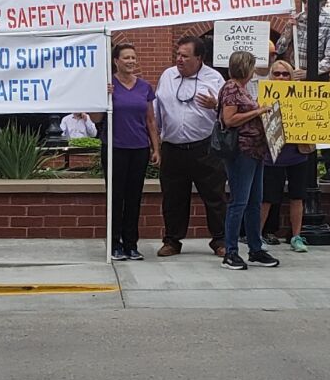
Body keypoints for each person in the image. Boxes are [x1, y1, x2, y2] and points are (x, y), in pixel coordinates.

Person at [153, 33, 227, 258]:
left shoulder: (214, 79)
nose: (179, 60)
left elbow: (229, 115)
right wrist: (156, 142)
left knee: (214, 196)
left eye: (185, 56)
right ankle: (172, 241)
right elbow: (157, 111)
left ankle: (220, 240)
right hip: (173, 148)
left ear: (200, 58)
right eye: (178, 54)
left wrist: (216, 105)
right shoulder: (167, 76)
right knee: (173, 198)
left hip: (204, 148)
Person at [218, 50, 277, 270]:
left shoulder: (242, 89)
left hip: (255, 152)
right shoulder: (232, 88)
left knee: (254, 202)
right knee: (239, 202)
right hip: (241, 152)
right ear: (247, 68)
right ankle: (231, 252)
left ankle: (255, 248)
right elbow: (229, 119)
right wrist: (258, 111)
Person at [107, 42, 160, 262]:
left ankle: (131, 244)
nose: (130, 61)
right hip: (115, 148)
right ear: (116, 61)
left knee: (134, 198)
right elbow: (97, 118)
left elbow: (150, 119)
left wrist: (155, 148)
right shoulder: (108, 85)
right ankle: (115, 244)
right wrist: (103, 95)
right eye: (126, 58)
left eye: (133, 58)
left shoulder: (145, 87)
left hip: (139, 148)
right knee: (116, 197)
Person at [260, 59, 312, 254]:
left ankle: (296, 236)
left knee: (297, 197)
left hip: (297, 153)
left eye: (285, 74)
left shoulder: (301, 95)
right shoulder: (264, 96)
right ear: (271, 75)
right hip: (272, 155)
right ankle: (257, 235)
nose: (281, 77)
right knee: (266, 198)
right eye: (277, 73)